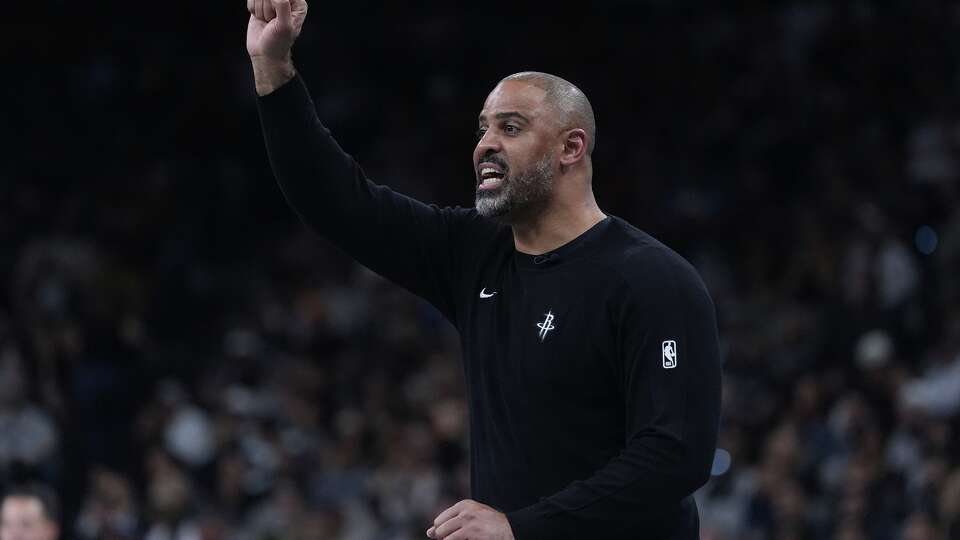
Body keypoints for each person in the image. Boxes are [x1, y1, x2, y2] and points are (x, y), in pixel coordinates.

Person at [246, 0, 722, 537]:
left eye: (511, 127)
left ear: (571, 147)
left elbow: (675, 456)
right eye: (483, 129)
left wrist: (522, 528)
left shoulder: (653, 280)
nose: (485, 144)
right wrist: (273, 68)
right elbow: (337, 202)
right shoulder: (474, 253)